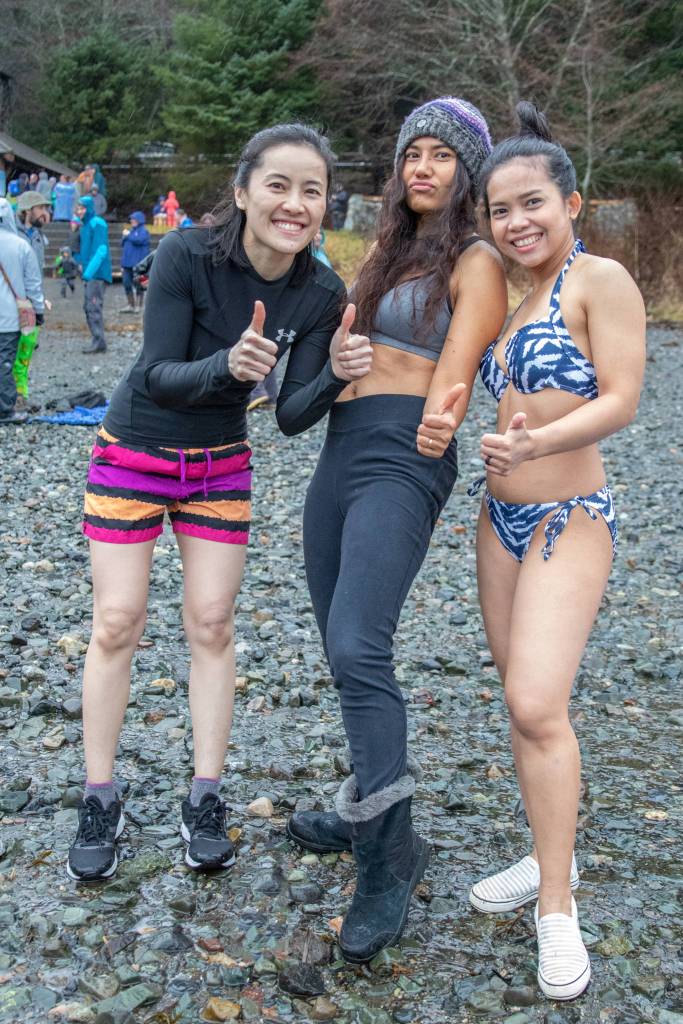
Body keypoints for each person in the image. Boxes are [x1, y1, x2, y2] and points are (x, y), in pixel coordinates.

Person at [67, 122, 369, 883]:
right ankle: (100, 793)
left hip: (219, 466)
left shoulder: (320, 290)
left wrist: (332, 370)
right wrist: (229, 367)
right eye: (278, 185)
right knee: (116, 621)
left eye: (312, 190)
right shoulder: (186, 254)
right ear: (242, 192)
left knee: (210, 622)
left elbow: (295, 415)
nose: (294, 203)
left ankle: (205, 795)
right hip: (135, 447)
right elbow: (158, 371)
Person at [285, 97, 508, 963]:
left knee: (357, 646)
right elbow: (335, 352)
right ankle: (367, 806)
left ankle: (388, 854)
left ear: (467, 173)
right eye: (411, 153)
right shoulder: (380, 250)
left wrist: (440, 430)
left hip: (403, 455)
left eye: (441, 157)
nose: (421, 167)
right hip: (339, 452)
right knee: (337, 644)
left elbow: (453, 378)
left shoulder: (476, 258)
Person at [466, 102, 645, 1001]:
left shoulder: (597, 278)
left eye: (531, 202)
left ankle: (558, 908)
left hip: (567, 513)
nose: (516, 221)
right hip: (495, 521)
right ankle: (543, 852)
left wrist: (536, 445)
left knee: (538, 702)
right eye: (499, 209)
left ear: (570, 201)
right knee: (517, 696)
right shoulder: (507, 296)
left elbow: (620, 398)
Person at [0, 198, 45, 423]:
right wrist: (38, 311)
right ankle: (5, 409)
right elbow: (33, 284)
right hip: (9, 317)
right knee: (5, 362)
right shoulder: (20, 245)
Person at [76, 194, 112, 354]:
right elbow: (85, 251)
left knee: (93, 307)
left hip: (96, 274)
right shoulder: (86, 225)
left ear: (89, 208)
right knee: (89, 307)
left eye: (82, 208)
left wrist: (88, 273)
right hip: (91, 273)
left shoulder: (97, 224)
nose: (79, 211)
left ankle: (99, 341)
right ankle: (97, 340)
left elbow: (100, 250)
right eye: (78, 208)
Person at [119, 211, 151, 314]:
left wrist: (128, 236)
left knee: (139, 285)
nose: (132, 221)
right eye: (131, 219)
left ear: (139, 220)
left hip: (138, 265)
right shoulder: (130, 232)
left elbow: (139, 240)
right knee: (126, 284)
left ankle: (139, 306)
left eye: (134, 219)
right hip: (127, 264)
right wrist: (122, 264)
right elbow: (123, 246)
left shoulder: (144, 232)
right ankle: (130, 304)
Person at [15, 190, 51, 270]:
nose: (44, 213)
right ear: (28, 210)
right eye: (40, 208)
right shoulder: (13, 234)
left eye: (45, 209)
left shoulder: (38, 235)